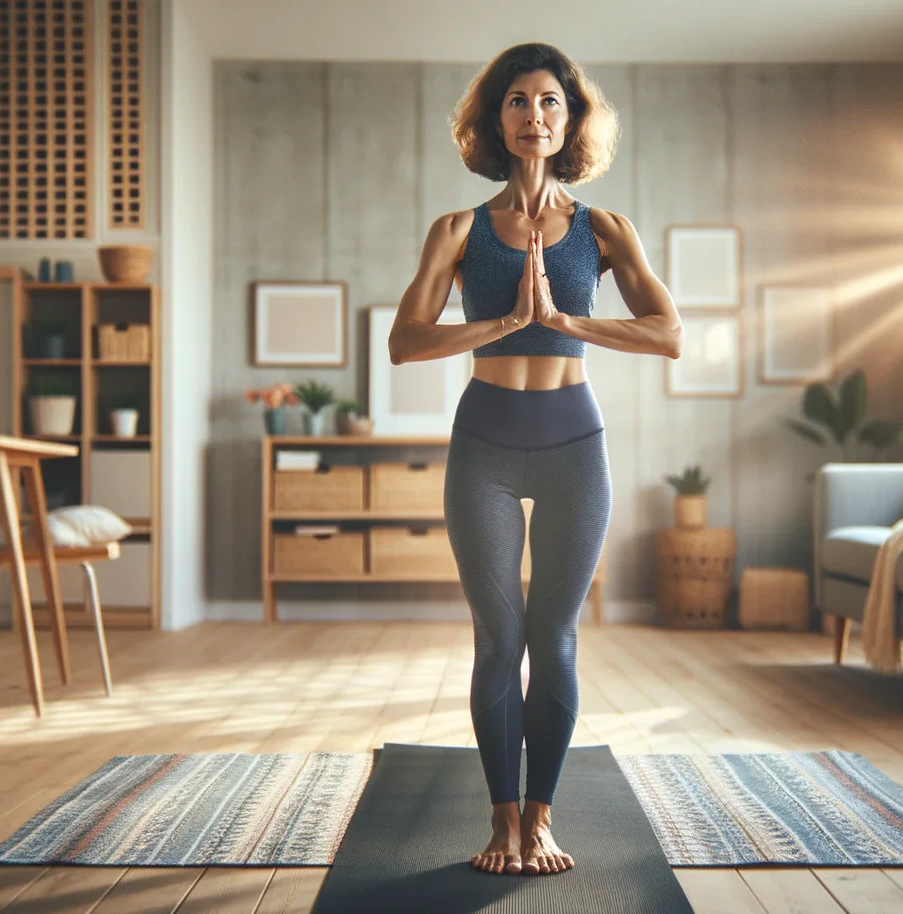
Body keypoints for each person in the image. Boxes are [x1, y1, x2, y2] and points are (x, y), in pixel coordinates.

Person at [387, 42, 682, 877]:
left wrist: (566, 319)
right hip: (484, 442)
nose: (534, 116)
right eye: (517, 101)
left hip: (572, 443)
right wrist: (502, 323)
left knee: (553, 639)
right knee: (497, 636)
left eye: (550, 101)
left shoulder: (604, 229)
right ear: (495, 119)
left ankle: (544, 819)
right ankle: (502, 821)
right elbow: (405, 343)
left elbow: (668, 335)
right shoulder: (458, 230)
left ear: (570, 120)